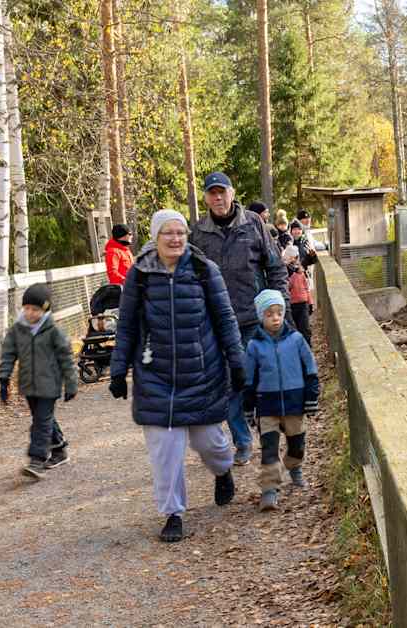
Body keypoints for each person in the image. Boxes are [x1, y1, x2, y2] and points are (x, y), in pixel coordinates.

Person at [110, 209, 246, 543]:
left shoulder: (203, 270)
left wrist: (237, 361)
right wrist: (117, 369)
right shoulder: (139, 275)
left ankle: (223, 469)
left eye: (181, 233)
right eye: (168, 233)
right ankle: (173, 512)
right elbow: (126, 326)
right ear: (155, 238)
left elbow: (226, 319)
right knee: (164, 450)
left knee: (209, 442)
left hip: (202, 373)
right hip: (155, 376)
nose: (175, 239)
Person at [188, 172, 290, 466]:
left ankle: (271, 433)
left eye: (222, 192)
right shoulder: (199, 234)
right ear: (206, 197)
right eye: (212, 193)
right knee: (230, 385)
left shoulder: (253, 224)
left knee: (262, 381)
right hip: (219, 324)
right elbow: (193, 280)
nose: (218, 198)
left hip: (254, 317)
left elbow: (275, 267)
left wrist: (278, 305)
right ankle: (242, 441)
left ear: (232, 193)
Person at [242, 289, 320, 511]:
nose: (275, 318)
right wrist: (248, 407)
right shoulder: (254, 346)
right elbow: (249, 379)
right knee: (269, 449)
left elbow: (311, 370)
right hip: (267, 406)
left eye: (279, 313)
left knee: (297, 448)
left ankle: (293, 467)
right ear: (261, 317)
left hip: (295, 403)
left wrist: (311, 397)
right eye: (269, 314)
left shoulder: (296, 340)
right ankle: (269, 490)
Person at [0, 283, 77, 479]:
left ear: (45, 310)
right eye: (27, 308)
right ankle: (59, 450)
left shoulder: (53, 331)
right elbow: (8, 354)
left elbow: (66, 358)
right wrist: (4, 378)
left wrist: (71, 383)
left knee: (41, 422)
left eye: (36, 309)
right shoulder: (17, 330)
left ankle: (37, 460)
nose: (30, 313)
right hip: (28, 384)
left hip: (49, 385)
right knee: (43, 418)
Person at [283, 245, 313, 345]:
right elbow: (286, 287)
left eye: (295, 257)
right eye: (291, 257)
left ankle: (307, 350)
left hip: (302, 303)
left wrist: (310, 302)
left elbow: (306, 287)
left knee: (305, 329)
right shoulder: (285, 270)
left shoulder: (300, 270)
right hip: (291, 304)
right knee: (294, 330)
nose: (294, 259)